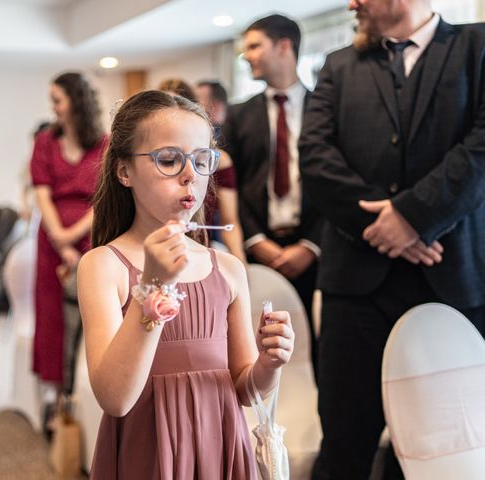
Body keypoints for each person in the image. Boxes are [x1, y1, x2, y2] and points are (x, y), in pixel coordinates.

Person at [299, 1, 485, 478]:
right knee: (343, 441)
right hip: (354, 292)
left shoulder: (477, 46)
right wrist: (385, 228)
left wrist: (414, 217)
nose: (353, 3)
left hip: (455, 282)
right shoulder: (336, 66)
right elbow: (316, 159)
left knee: (442, 450)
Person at [77, 90, 295, 478]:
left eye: (201, 160)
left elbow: (244, 390)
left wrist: (270, 364)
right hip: (148, 452)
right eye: (168, 160)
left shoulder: (228, 269)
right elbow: (115, 398)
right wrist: (153, 285)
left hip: (221, 446)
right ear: (124, 171)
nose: (190, 175)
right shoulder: (103, 266)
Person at [222, 14, 322, 372]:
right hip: (256, 248)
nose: (246, 56)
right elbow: (230, 187)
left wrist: (311, 245)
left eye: (254, 46)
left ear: (284, 46)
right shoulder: (237, 116)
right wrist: (255, 240)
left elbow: (333, 186)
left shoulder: (323, 109)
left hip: (314, 252)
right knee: (256, 350)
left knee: (319, 353)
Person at [30, 72, 107, 426]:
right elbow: (41, 191)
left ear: (76, 101)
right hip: (52, 241)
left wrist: (74, 234)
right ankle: (53, 396)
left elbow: (105, 198)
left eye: (58, 99)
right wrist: (60, 238)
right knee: (51, 316)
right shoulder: (46, 141)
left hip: (92, 238)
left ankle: (85, 392)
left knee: (91, 314)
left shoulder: (104, 144)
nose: (54, 108)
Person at [157, 78, 247, 263]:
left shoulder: (219, 161)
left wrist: (239, 259)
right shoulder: (150, 163)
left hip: (202, 251)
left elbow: (230, 221)